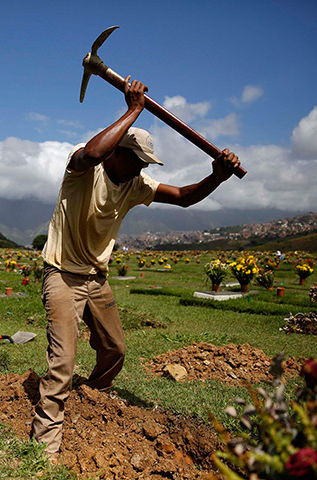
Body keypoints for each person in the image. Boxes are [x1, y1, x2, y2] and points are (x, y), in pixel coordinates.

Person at [31, 76, 241, 459]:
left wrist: (217, 175)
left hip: (95, 278)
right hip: (62, 274)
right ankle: (46, 444)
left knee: (115, 349)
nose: (140, 169)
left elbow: (183, 198)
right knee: (63, 359)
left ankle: (91, 398)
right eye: (136, 160)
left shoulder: (135, 184)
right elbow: (92, 154)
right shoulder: (84, 168)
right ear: (118, 151)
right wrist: (133, 110)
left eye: (145, 164)